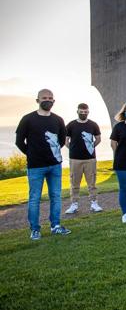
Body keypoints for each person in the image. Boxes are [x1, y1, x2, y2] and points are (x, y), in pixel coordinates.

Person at [15, 89, 71, 240]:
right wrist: (31, 154)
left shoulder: (58, 119)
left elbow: (61, 140)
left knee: (56, 196)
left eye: (50, 98)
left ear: (54, 101)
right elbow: (19, 142)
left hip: (55, 165)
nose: (48, 100)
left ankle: (56, 226)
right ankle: (35, 229)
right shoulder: (27, 119)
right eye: (44, 98)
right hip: (35, 166)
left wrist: (51, 153)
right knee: (34, 198)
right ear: (37, 100)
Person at [64, 103, 102, 214]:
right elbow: (66, 140)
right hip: (75, 159)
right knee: (74, 183)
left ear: (88, 112)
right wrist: (72, 149)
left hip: (90, 159)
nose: (83, 114)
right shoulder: (71, 125)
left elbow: (98, 139)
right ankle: (74, 204)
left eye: (85, 112)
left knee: (92, 183)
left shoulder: (93, 125)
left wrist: (90, 147)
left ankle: (94, 203)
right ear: (77, 111)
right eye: (81, 112)